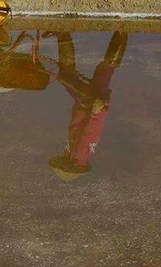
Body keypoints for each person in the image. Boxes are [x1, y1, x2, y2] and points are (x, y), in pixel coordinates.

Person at [48, 31, 128, 180]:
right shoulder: (79, 154)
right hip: (90, 104)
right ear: (69, 164)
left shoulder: (75, 154)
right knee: (65, 74)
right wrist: (95, 113)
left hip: (90, 104)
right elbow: (90, 133)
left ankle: (122, 32)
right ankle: (63, 33)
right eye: (61, 161)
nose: (61, 157)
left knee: (105, 70)